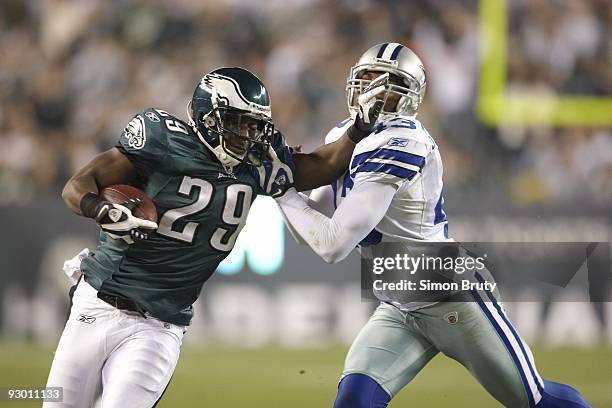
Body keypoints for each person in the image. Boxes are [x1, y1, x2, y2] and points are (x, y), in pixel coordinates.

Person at [256, 43, 591, 408]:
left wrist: (282, 192)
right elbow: (311, 230)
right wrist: (283, 187)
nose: (371, 90)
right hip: (398, 297)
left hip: (447, 292)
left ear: (408, 94)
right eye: (366, 78)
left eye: (386, 82)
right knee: (355, 400)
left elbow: (332, 244)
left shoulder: (404, 141)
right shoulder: (344, 136)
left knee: (534, 399)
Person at [44, 66, 387, 408]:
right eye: (238, 121)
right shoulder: (161, 138)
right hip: (97, 301)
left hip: (159, 326)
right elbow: (79, 183)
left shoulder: (259, 160)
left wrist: (359, 128)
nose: (247, 133)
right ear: (208, 115)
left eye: (254, 124)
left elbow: (322, 165)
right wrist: (99, 209)